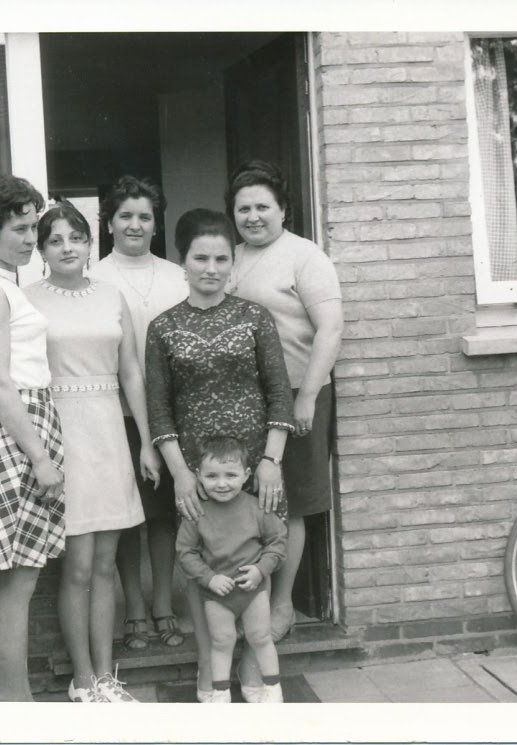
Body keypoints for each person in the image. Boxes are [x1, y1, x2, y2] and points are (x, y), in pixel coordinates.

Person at [145, 207, 294, 702]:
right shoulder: (163, 328)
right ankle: (211, 673)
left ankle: (254, 671)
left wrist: (271, 460)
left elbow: (279, 392)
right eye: (200, 257)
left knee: (256, 560)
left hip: (254, 467)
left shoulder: (255, 317)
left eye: (221, 258)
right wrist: (181, 475)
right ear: (182, 261)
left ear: (233, 263)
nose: (211, 268)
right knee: (203, 564)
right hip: (197, 472)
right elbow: (158, 408)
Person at [25, 200, 160, 703]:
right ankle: (81, 678)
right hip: (62, 433)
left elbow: (130, 372)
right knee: (77, 565)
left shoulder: (111, 294)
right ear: (41, 250)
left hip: (108, 431)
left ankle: (107, 675)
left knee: (106, 565)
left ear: (89, 244)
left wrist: (146, 441)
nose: (67, 248)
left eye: (75, 239)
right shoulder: (27, 299)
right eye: (55, 240)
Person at [225, 159, 343, 691]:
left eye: (262, 207)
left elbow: (330, 328)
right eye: (243, 208)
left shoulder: (304, 256)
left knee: (288, 501)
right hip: (245, 402)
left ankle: (282, 602)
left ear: (283, 210)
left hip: (296, 395)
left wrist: (309, 395)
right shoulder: (231, 259)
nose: (252, 216)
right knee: (248, 502)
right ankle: (246, 606)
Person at [0, 175, 65, 701]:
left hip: (21, 423)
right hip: (16, 434)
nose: (30, 239)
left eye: (32, 227)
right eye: (20, 229)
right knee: (17, 578)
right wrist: (41, 459)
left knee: (21, 574)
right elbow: (0, 383)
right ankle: (13, 700)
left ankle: (12, 698)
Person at [91, 175, 189, 652]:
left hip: (172, 412)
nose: (135, 224)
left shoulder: (177, 275)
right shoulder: (94, 279)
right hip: (117, 414)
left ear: (157, 222)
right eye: (125, 216)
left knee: (166, 514)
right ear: (109, 223)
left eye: (144, 216)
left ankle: (165, 604)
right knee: (128, 514)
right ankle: (134, 608)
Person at [176, 436, 287, 704]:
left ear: (246, 475)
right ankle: (220, 693)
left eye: (231, 475)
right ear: (198, 476)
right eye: (212, 476)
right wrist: (209, 578)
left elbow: (278, 542)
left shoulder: (256, 507)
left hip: (253, 590)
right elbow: (185, 551)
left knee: (260, 637)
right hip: (216, 593)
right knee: (221, 641)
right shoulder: (197, 513)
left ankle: (273, 690)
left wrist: (261, 570)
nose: (222, 483)